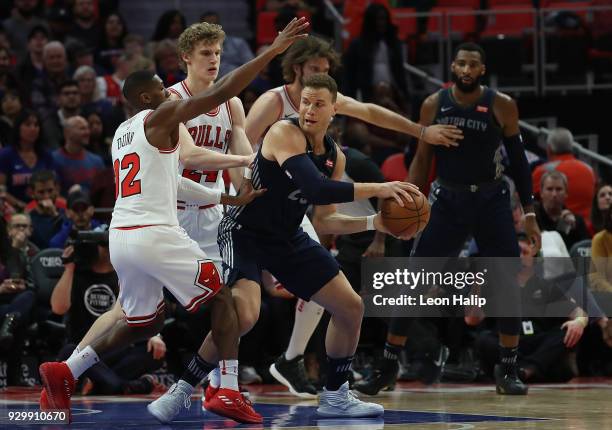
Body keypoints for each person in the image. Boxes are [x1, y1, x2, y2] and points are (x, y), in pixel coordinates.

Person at [38, 18, 308, 423]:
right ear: (148, 96)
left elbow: (172, 181)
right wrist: (272, 51)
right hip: (157, 233)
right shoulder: (161, 116)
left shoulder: (121, 133)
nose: (168, 91)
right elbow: (223, 91)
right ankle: (228, 388)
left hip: (123, 236)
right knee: (220, 298)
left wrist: (226, 194)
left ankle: (65, 371)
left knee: (144, 322)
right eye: (161, 90)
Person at [162, 73, 417, 419]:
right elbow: (314, 189)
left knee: (350, 307)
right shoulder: (283, 132)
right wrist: (379, 188)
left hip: (287, 237)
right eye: (305, 102)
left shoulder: (335, 156)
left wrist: (375, 223)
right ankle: (182, 389)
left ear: (335, 109)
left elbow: (325, 220)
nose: (309, 109)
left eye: (318, 104)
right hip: (244, 231)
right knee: (244, 315)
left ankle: (336, 396)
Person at [244, 35, 461, 398]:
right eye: (314, 70)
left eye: (326, 72)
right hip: (257, 202)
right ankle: (215, 376)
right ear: (298, 68)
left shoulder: (328, 109)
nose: (320, 78)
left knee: (329, 286)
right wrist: (240, 189)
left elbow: (372, 112)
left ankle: (296, 361)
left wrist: (421, 131)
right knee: (238, 302)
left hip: (294, 207)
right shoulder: (273, 102)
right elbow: (241, 142)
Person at [354, 42, 542, 396]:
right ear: (452, 68)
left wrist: (529, 212)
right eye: (461, 64)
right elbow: (423, 160)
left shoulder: (502, 105)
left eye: (473, 64)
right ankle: (389, 364)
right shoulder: (433, 105)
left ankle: (509, 367)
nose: (466, 70)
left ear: (481, 70)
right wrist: (409, 197)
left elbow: (518, 162)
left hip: (491, 199)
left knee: (505, 281)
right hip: (448, 199)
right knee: (413, 281)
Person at [151, 20, 258, 406]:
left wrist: (247, 181)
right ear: (185, 58)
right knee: (136, 312)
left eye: (217, 53)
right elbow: (189, 155)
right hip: (173, 210)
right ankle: (74, 366)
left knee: (228, 303)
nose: (214, 60)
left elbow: (238, 162)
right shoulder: (170, 99)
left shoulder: (231, 103)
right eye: (205, 54)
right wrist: (247, 158)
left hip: (213, 212)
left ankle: (221, 382)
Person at [532, 127, 596, 221]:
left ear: (549, 149)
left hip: (556, 229)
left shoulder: (543, 171)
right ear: (571, 147)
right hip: (587, 231)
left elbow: (526, 200)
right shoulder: (589, 170)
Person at [535, 170, 590, 250]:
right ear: (541, 193)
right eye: (549, 189)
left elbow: (585, 251)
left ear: (566, 193)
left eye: (559, 189)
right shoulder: (533, 218)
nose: (554, 194)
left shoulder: (576, 221)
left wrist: (569, 227)